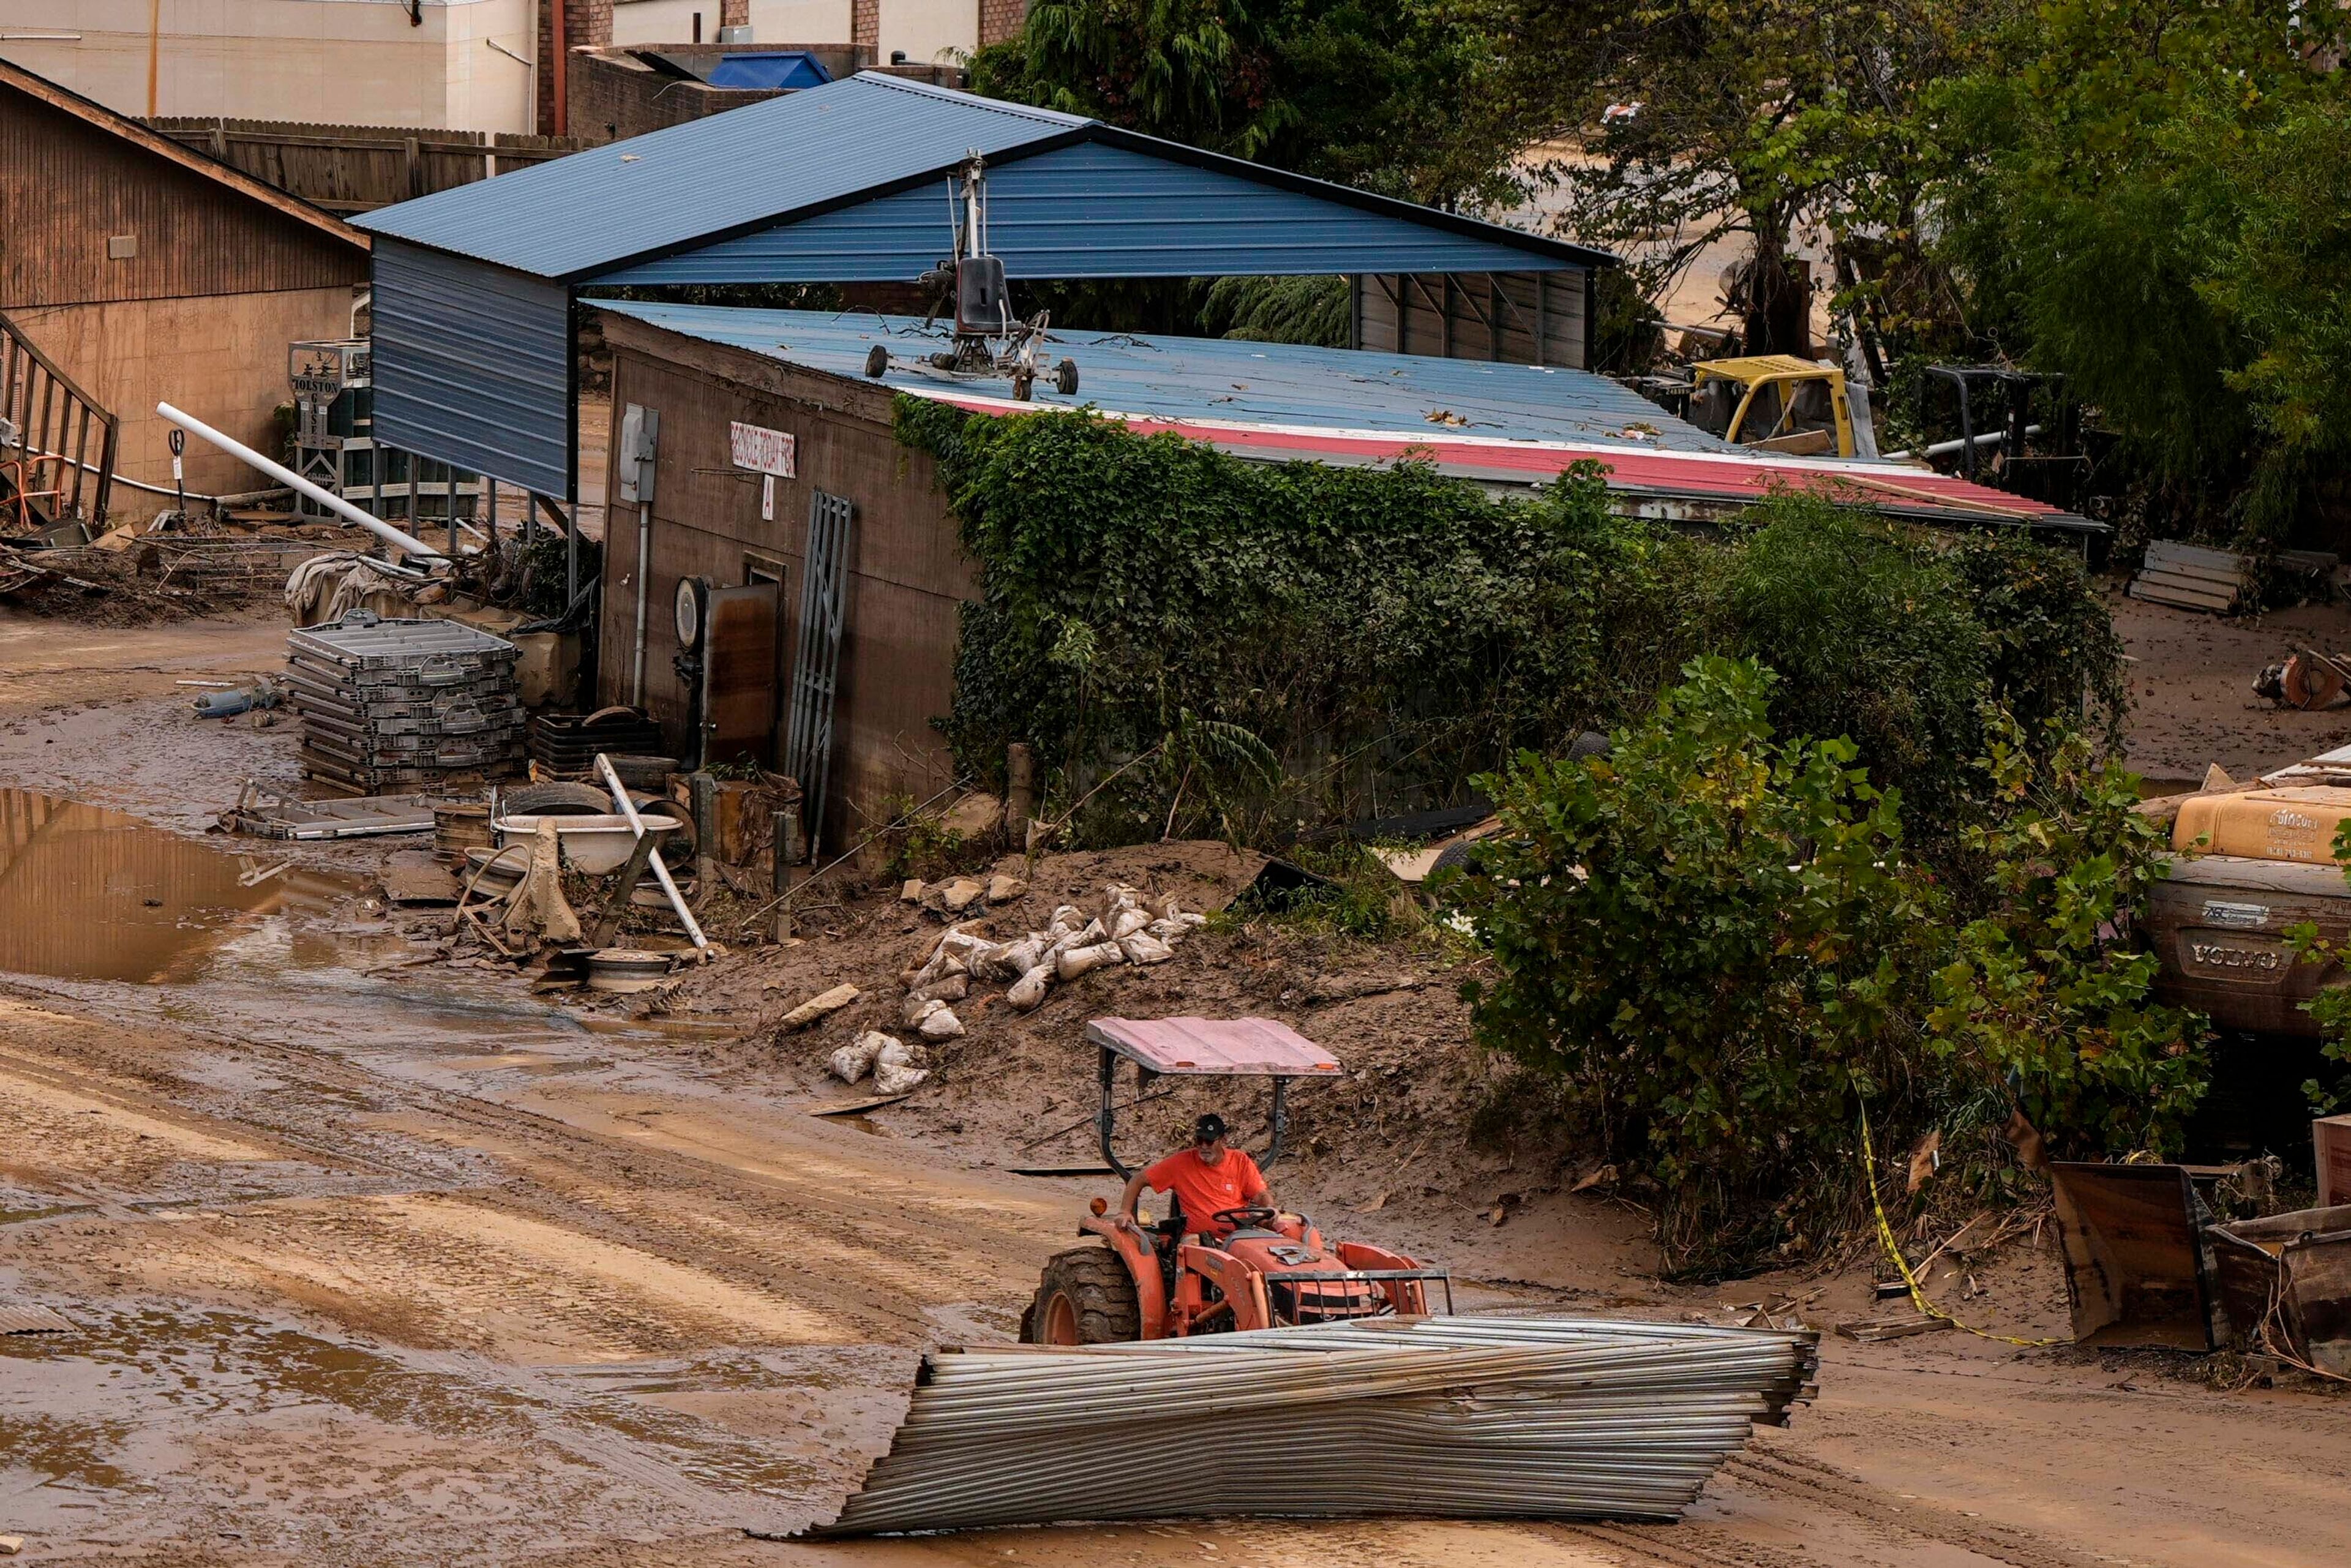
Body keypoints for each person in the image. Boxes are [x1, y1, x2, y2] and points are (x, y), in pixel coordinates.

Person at [1116, 1112, 1273, 1240]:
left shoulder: (1240, 1161)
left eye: (1209, 1141)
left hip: (1238, 1235)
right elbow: (1138, 1180)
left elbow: (1260, 1195)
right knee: (1194, 1253)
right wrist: (1125, 1211)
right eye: (1199, 1140)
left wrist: (1270, 1210)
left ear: (1223, 1140)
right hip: (1196, 1238)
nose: (1204, 1146)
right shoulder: (1180, 1164)